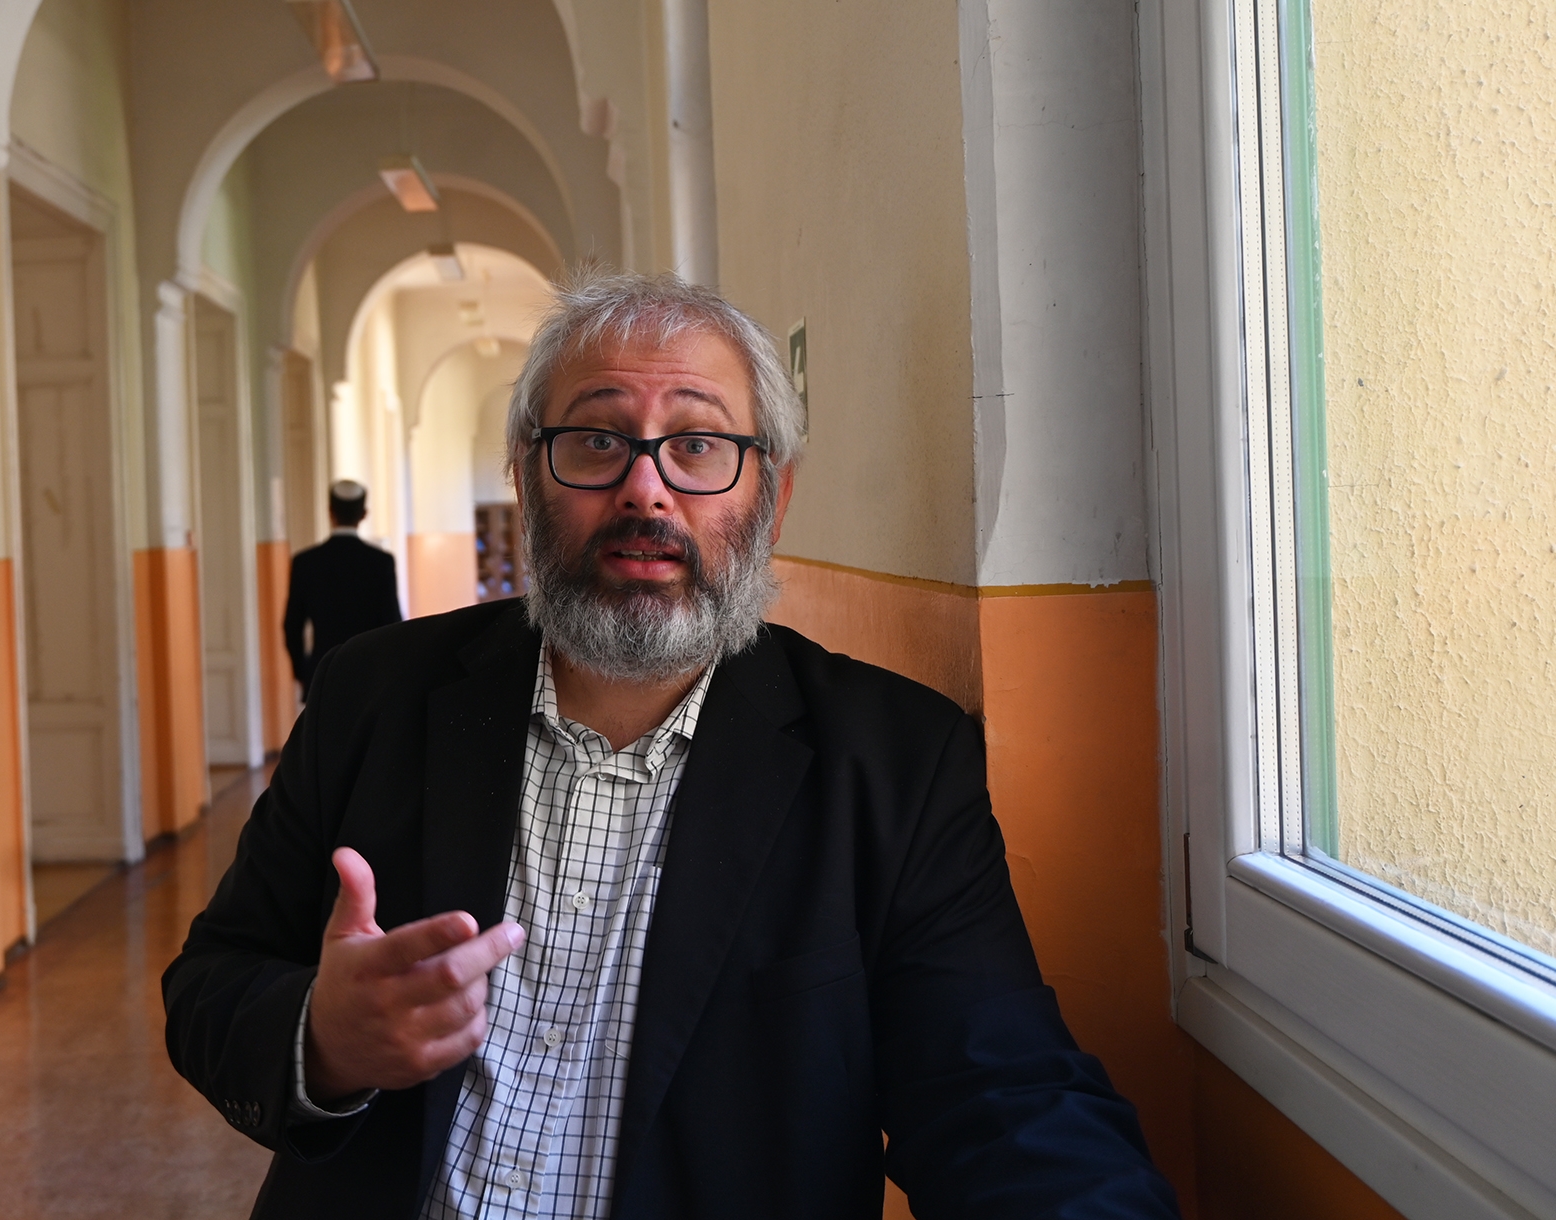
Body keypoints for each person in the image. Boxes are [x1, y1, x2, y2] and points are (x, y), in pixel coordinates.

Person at [166, 272, 1180, 1218]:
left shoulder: (896, 765)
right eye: (597, 440)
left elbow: (998, 1088)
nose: (646, 490)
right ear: (527, 477)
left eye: (697, 444)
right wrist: (321, 1037)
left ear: (770, 500)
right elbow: (213, 982)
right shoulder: (373, 695)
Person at [282, 480, 402, 700]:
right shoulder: (381, 562)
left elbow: (292, 625)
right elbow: (392, 622)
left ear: (330, 512)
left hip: (322, 671)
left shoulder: (306, 562)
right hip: (370, 672)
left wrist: (303, 672)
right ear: (364, 514)